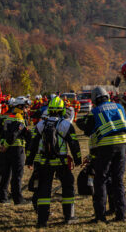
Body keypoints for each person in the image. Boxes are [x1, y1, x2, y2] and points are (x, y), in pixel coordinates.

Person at [26, 96, 82, 227]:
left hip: (44, 163)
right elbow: (74, 144)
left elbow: (32, 145)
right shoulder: (66, 125)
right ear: (62, 110)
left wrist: (29, 160)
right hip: (61, 162)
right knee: (68, 188)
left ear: (49, 110)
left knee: (44, 191)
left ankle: (42, 221)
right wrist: (77, 159)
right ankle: (69, 217)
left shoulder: (40, 124)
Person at [87, 87, 126, 223]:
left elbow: (88, 129)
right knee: (118, 180)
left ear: (95, 99)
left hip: (105, 148)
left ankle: (100, 216)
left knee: (100, 180)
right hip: (122, 146)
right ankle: (121, 215)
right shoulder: (119, 107)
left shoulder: (94, 111)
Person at [0, 96, 31, 205]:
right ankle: (18, 199)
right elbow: (14, 134)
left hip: (6, 151)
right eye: (26, 107)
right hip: (16, 150)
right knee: (17, 175)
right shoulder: (18, 118)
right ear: (20, 106)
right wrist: (6, 145)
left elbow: (2, 133)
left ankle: (3, 197)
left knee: (5, 174)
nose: (27, 109)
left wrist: (3, 145)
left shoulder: (8, 117)